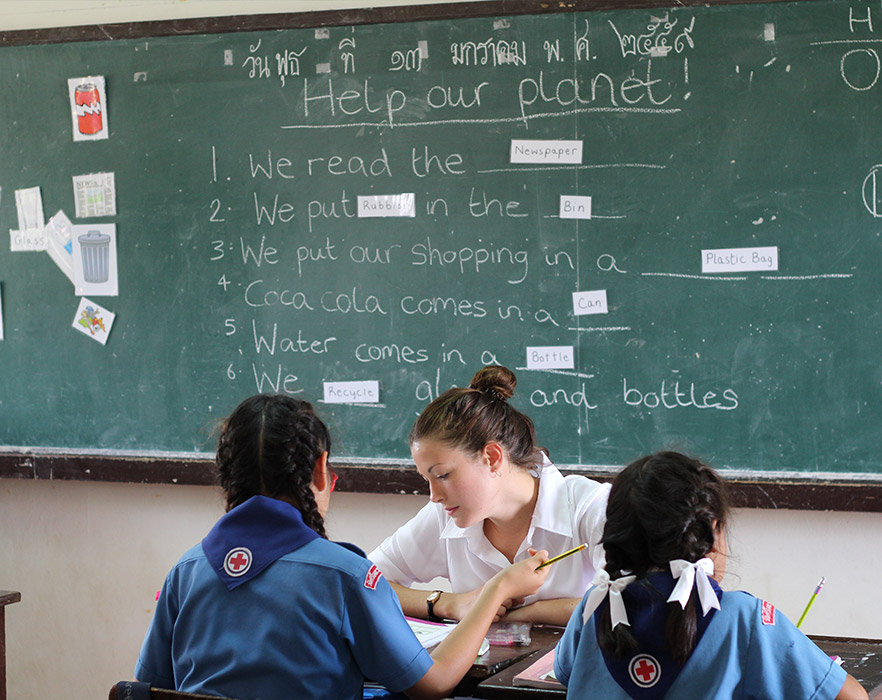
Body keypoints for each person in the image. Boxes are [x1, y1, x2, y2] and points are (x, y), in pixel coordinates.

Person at [134, 394, 550, 700]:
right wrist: (498, 588)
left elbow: (148, 687)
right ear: (320, 469)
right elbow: (434, 683)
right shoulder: (342, 575)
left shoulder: (185, 571)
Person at [554, 451, 868, 700]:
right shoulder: (744, 619)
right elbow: (851, 696)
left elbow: (565, 674)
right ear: (710, 536)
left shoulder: (593, 609)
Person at [368, 365, 610, 627]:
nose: (434, 496)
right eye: (426, 480)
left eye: (443, 475)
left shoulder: (591, 507)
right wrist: (449, 603)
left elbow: (629, 602)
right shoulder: (445, 516)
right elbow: (363, 581)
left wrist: (519, 612)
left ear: (492, 457)